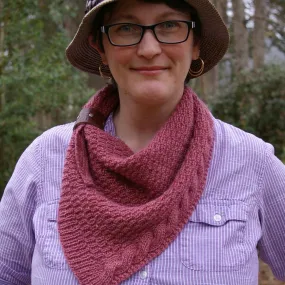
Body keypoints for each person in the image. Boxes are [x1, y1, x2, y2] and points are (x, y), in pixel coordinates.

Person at [0, 0, 284, 284]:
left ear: (195, 43)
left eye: (170, 25)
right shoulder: (44, 161)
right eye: (125, 27)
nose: (149, 49)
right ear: (100, 46)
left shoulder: (251, 162)